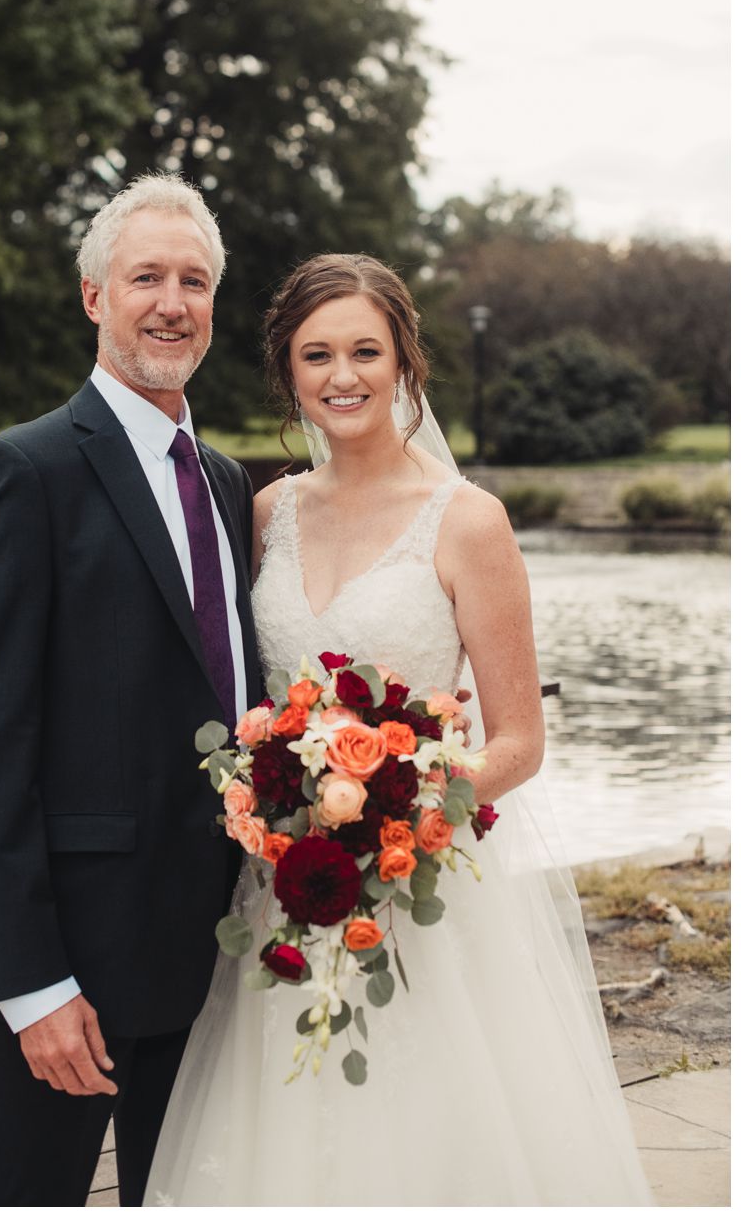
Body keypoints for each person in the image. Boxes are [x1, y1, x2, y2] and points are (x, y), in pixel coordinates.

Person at [145, 253, 650, 1203]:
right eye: (318, 354)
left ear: (404, 361)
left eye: (366, 350)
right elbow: (253, 700)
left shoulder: (468, 523)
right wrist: (273, 798)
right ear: (288, 374)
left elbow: (518, 741)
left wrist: (401, 803)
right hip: (284, 891)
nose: (343, 376)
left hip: (423, 886)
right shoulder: (266, 513)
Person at [0, 175, 262, 1206]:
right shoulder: (22, 471)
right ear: (92, 297)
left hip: (220, 952)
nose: (171, 302)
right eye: (145, 277)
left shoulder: (224, 479)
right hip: (73, 959)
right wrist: (28, 983)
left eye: (193, 281)